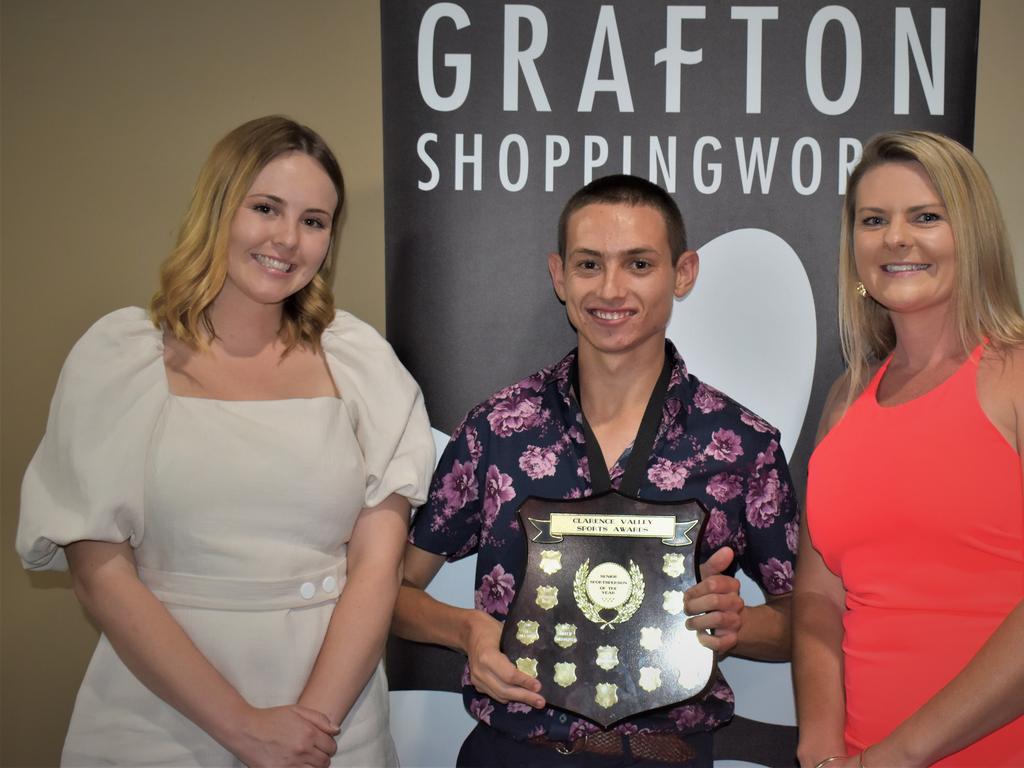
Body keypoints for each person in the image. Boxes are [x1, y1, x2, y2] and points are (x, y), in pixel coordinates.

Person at [16, 116, 435, 767]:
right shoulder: (120, 358)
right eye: (266, 208)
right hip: (160, 721)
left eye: (314, 221)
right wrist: (242, 727)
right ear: (218, 209)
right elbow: (99, 573)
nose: (287, 239)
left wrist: (309, 732)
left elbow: (378, 566)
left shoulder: (361, 364)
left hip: (332, 726)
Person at [391, 174, 799, 767]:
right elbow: (393, 591)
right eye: (589, 264)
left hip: (668, 755)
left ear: (682, 273)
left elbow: (801, 625)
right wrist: (465, 632)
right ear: (559, 276)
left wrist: (736, 624)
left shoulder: (741, 444)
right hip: (515, 753)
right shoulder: (498, 430)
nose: (611, 289)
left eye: (638, 264)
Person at [794, 131, 1024, 767]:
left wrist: (900, 755)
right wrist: (818, 745)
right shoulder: (845, 399)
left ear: (971, 234)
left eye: (925, 216)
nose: (895, 238)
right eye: (874, 220)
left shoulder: (1017, 379)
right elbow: (818, 597)